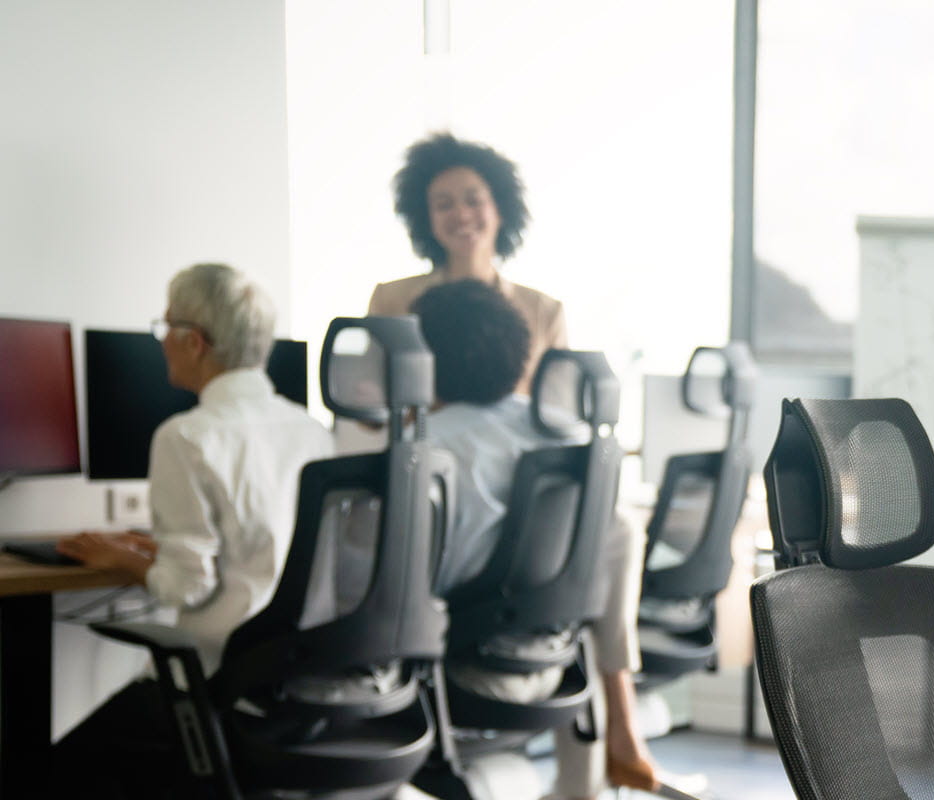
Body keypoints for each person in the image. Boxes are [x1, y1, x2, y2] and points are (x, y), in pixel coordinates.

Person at [53, 263, 334, 797]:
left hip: (220, 681)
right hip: (295, 680)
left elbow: (188, 587)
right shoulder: (311, 431)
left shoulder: (187, 436)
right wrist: (156, 547)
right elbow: (268, 544)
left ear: (194, 342)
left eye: (165, 330)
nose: (162, 344)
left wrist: (121, 560)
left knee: (42, 774)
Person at [407, 280, 660, 797]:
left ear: (424, 360)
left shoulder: (428, 452)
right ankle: (619, 716)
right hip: (559, 661)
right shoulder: (562, 433)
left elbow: (407, 590)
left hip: (466, 673)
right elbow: (619, 536)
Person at [369, 132, 563, 396]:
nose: (461, 215)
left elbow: (558, 413)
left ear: (500, 210)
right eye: (443, 205)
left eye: (474, 201)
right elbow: (369, 405)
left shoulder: (544, 311)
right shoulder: (391, 301)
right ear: (426, 219)